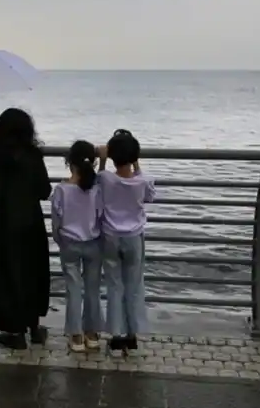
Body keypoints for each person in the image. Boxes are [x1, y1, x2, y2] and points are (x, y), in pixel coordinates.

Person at [0, 107, 52, 349]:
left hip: (4, 224)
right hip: (32, 223)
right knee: (33, 272)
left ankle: (15, 330)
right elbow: (45, 190)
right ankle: (34, 327)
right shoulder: (33, 156)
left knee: (7, 276)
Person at [97, 128, 156, 353]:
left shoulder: (105, 178)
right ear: (134, 157)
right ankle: (132, 334)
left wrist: (102, 161)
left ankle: (117, 333)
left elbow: (98, 183)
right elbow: (150, 195)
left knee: (114, 285)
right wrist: (137, 165)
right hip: (134, 237)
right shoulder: (143, 181)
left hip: (111, 236)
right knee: (133, 284)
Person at [50, 140, 104, 353]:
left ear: (69, 163)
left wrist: (59, 239)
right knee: (92, 289)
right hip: (93, 243)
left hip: (69, 244)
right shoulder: (96, 189)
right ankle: (92, 333)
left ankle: (76, 336)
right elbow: (101, 217)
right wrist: (103, 160)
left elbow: (56, 221)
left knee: (73, 290)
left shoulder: (61, 190)